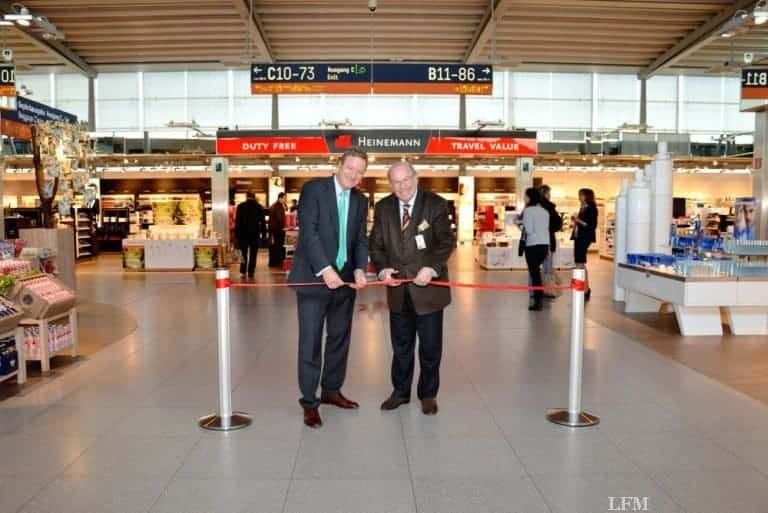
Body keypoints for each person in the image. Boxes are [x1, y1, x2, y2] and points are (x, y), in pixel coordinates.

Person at [288, 147, 369, 429]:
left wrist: (360, 268)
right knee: (310, 341)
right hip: (314, 277)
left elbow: (360, 239)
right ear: (339, 164)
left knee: (339, 338)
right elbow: (307, 234)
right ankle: (309, 402)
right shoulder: (314, 190)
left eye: (360, 172)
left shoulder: (361, 200)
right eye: (350, 169)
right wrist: (325, 269)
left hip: (345, 282)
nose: (354, 175)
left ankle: (332, 391)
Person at [370, 161, 456, 415]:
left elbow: (445, 241)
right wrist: (383, 269)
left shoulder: (435, 204)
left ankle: (428, 394)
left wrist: (431, 268)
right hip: (398, 291)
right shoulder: (383, 207)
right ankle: (400, 392)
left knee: (430, 347)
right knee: (401, 346)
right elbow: (375, 245)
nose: (402, 186)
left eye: (406, 179)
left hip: (429, 290)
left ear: (415, 177)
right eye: (396, 182)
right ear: (390, 184)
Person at [522, 188, 551, 311]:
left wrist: (520, 224)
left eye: (525, 196)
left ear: (529, 197)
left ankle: (538, 301)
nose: (524, 198)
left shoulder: (528, 211)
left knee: (534, 274)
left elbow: (529, 230)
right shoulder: (544, 211)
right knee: (537, 273)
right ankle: (540, 297)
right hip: (544, 244)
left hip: (533, 245)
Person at [571, 188, 598, 301]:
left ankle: (582, 288)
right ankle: (585, 288)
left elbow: (592, 225)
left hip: (584, 238)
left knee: (579, 262)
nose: (579, 197)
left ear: (587, 196)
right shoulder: (583, 208)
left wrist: (578, 220)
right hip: (579, 237)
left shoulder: (591, 209)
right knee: (579, 262)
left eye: (581, 195)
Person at [234, 191, 266, 279]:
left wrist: (236, 235)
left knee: (243, 253)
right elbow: (263, 223)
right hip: (254, 235)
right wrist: (263, 235)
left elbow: (237, 222)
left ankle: (243, 271)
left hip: (242, 235)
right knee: (253, 254)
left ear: (246, 196)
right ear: (254, 197)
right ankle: (251, 271)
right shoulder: (259, 207)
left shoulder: (240, 207)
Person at [540, 185, 562, 297]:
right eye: (549, 193)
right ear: (545, 194)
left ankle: (541, 288)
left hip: (537, 240)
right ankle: (548, 289)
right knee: (548, 265)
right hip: (548, 238)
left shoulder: (535, 206)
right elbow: (558, 223)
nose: (550, 195)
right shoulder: (549, 207)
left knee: (543, 265)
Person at [268, 192, 287, 268]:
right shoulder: (278, 206)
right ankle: (277, 262)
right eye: (284, 198)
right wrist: (284, 226)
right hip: (278, 230)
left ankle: (274, 262)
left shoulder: (275, 205)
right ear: (280, 198)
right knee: (278, 246)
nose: (285, 200)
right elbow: (280, 219)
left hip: (274, 230)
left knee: (274, 246)